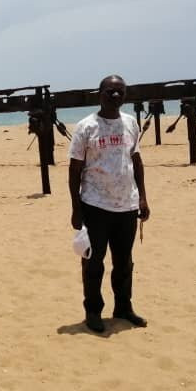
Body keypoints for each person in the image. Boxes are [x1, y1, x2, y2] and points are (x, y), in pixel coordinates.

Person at [67, 75, 150, 333]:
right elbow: (74, 170)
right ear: (99, 94)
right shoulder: (86, 127)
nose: (115, 96)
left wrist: (143, 197)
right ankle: (93, 312)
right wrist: (76, 208)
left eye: (120, 92)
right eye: (110, 92)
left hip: (127, 204)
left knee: (124, 262)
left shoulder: (131, 123)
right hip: (95, 205)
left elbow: (135, 160)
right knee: (94, 262)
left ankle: (123, 307)